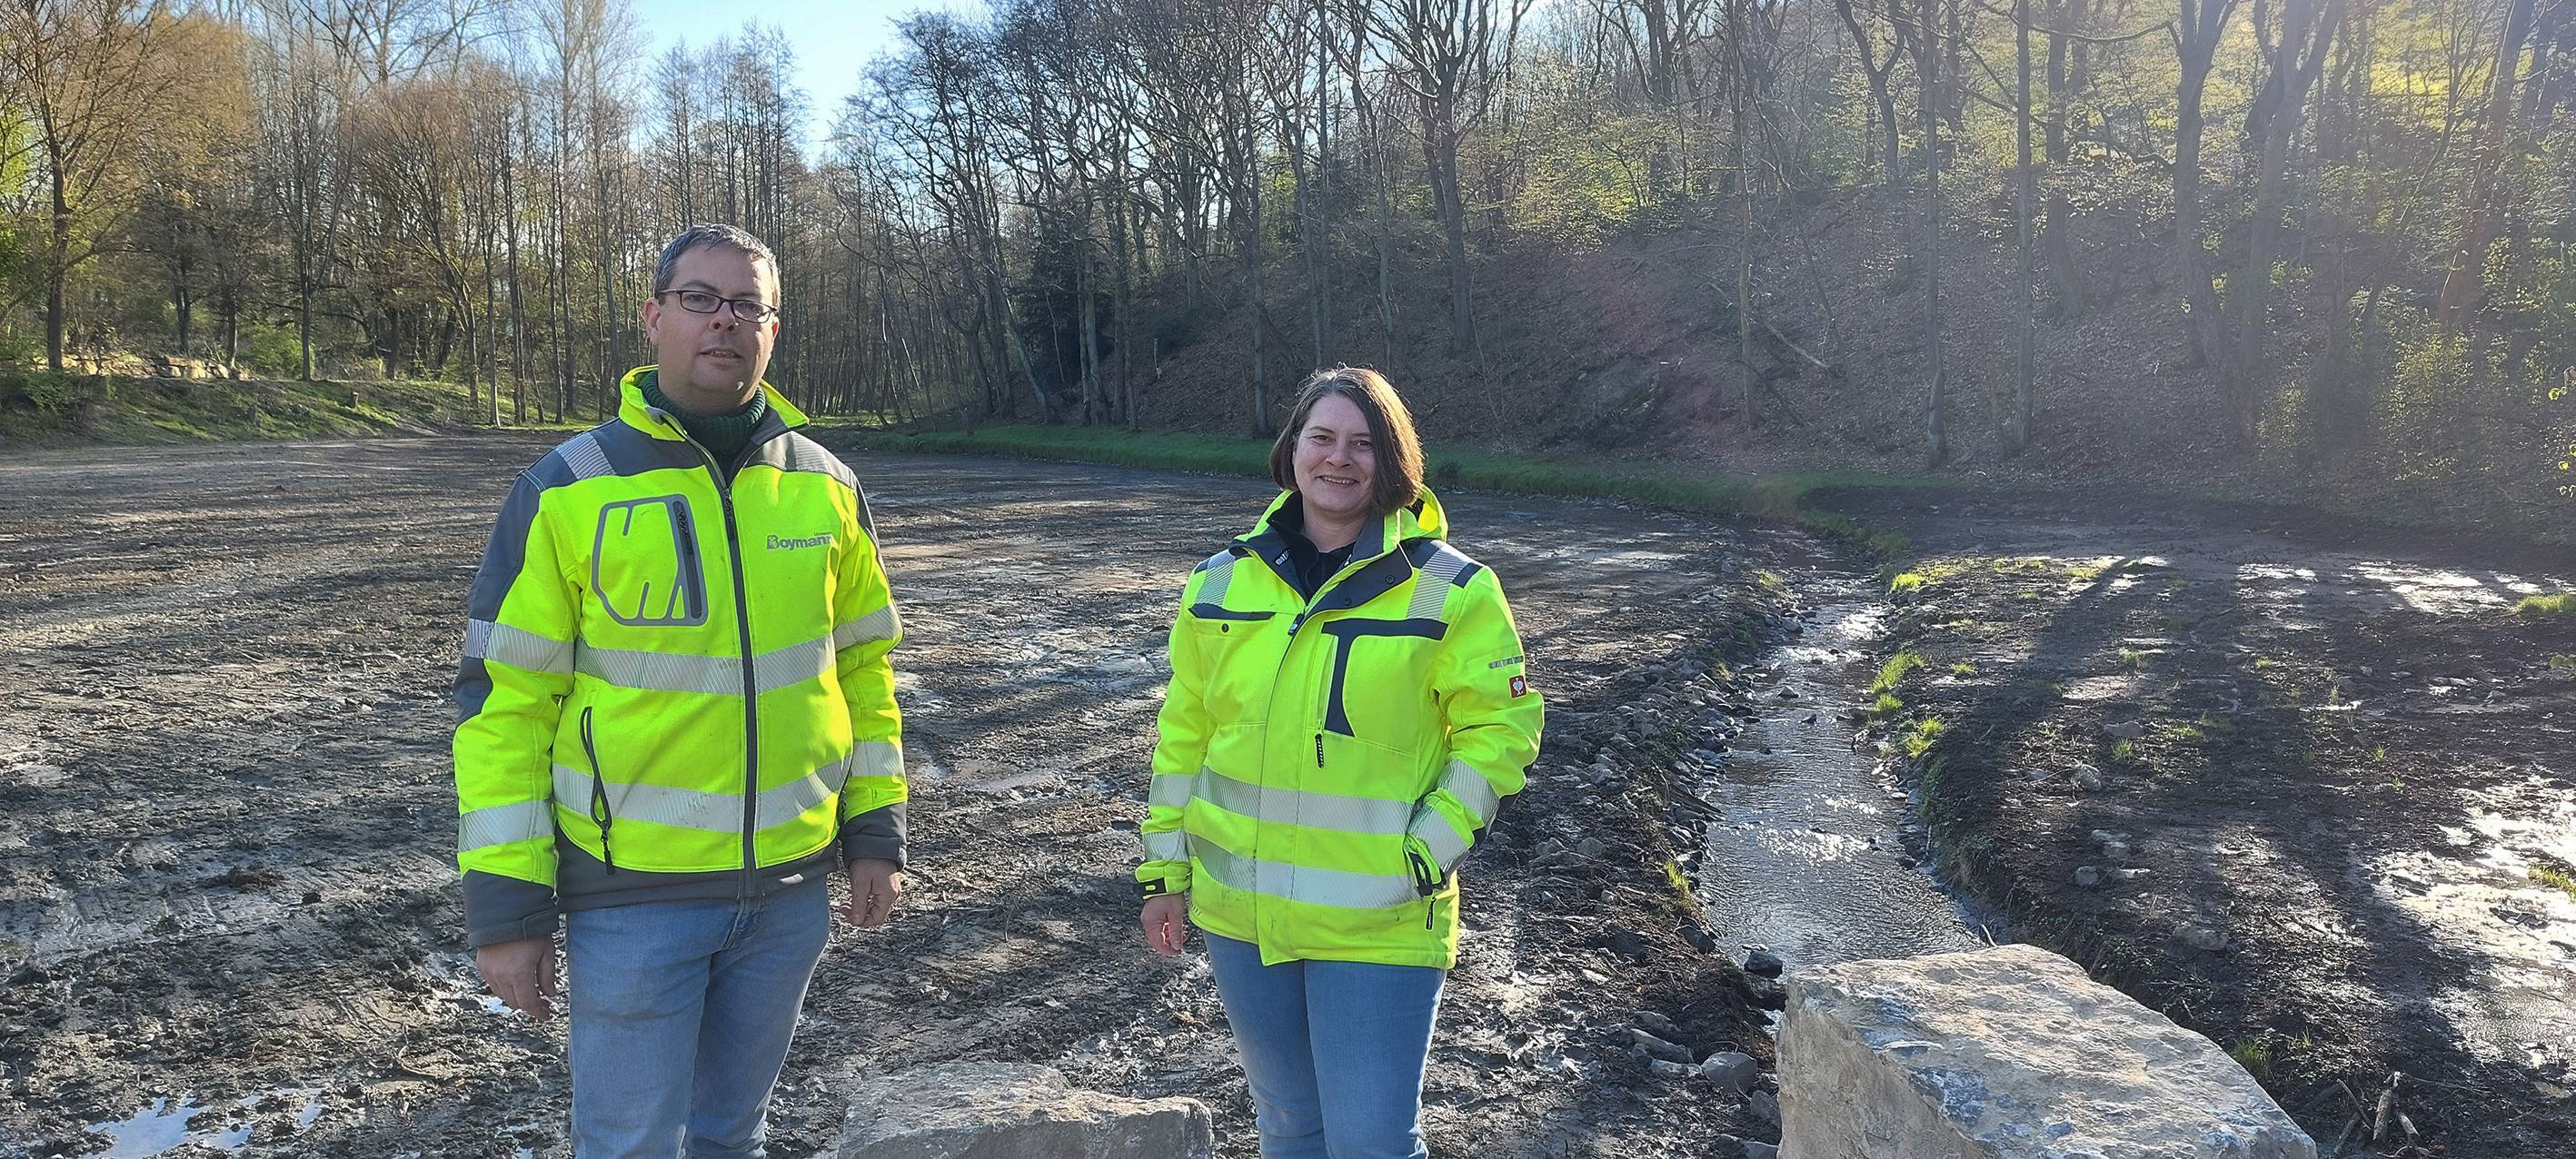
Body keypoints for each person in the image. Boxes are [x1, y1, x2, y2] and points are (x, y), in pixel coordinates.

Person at [451, 223, 908, 1159]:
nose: (724, 321)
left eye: (749, 304)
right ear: (654, 316)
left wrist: (875, 830)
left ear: (774, 331)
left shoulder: (826, 488)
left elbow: (863, 671)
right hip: (633, 900)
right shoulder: (566, 488)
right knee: (628, 1145)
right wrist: (508, 910)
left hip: (787, 894)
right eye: (701, 299)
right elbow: (505, 706)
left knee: (733, 1137)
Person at [1136, 367, 1544, 1159]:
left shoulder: (1451, 589)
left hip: (1378, 915)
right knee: (1289, 1129)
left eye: (1363, 444)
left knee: (1370, 1144)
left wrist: (1430, 849)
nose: (1339, 459)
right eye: (1321, 438)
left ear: (1393, 462)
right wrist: (1164, 873)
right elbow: (1183, 737)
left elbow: (1501, 730)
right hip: (1240, 912)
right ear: (1291, 451)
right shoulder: (1218, 581)